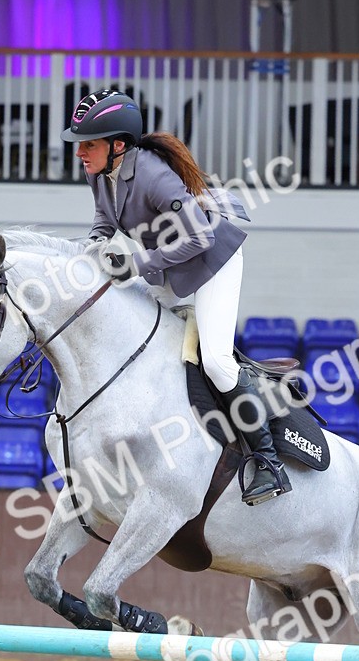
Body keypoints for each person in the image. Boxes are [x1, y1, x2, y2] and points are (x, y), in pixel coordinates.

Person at [61, 88, 290, 505]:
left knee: (217, 362)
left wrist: (136, 265)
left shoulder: (152, 174)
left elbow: (200, 237)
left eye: (88, 144)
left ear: (117, 145)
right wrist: (93, 245)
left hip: (213, 260)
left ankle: (268, 460)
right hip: (169, 262)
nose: (80, 152)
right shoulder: (98, 171)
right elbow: (104, 217)